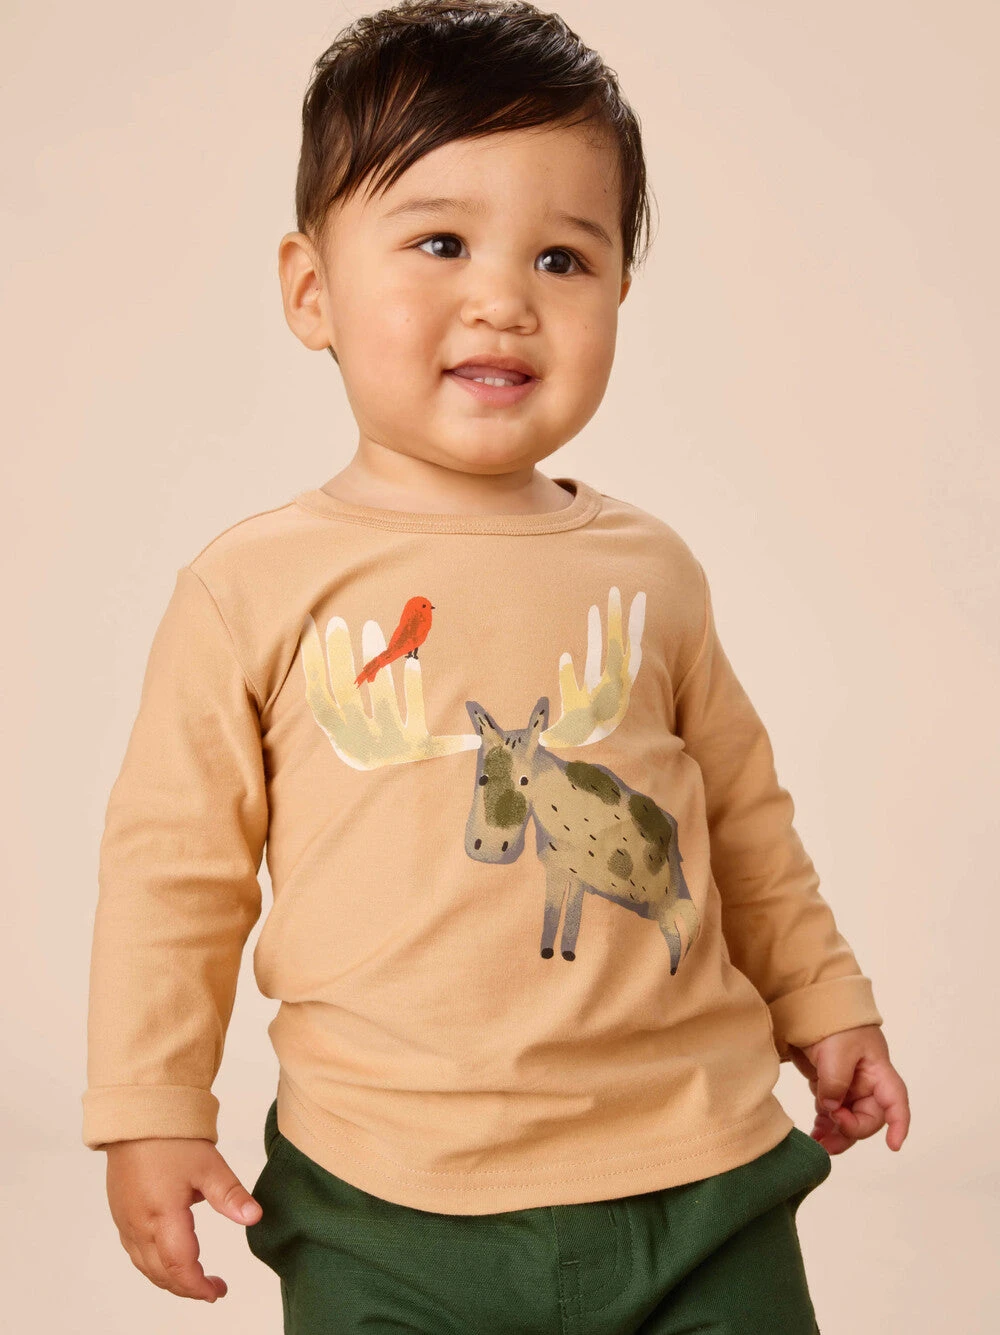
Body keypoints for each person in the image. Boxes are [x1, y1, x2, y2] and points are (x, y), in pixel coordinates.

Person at [82, 2, 911, 1331]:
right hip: (381, 1200)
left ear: (619, 297)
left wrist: (824, 1000)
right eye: (441, 242)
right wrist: (151, 1105)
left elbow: (746, 822)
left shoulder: (651, 573)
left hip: (698, 1170)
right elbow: (173, 873)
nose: (504, 300)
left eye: (564, 258)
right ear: (311, 290)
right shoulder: (249, 588)